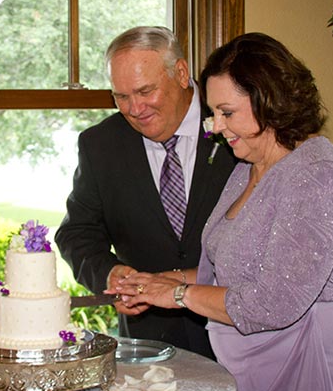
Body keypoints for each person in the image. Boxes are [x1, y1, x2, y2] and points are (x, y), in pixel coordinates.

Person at [110, 32, 333, 391]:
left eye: (227, 112)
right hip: (251, 373)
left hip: (307, 377)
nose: (217, 126)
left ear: (270, 100)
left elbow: (270, 304)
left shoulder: (319, 174)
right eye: (214, 113)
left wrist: (177, 296)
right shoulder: (244, 169)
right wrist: (159, 282)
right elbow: (226, 272)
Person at [55, 26, 236, 359]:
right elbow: (77, 234)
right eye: (121, 97)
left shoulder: (236, 123)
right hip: (148, 346)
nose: (134, 108)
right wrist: (110, 273)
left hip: (237, 337)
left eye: (145, 91)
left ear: (181, 73)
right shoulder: (100, 145)